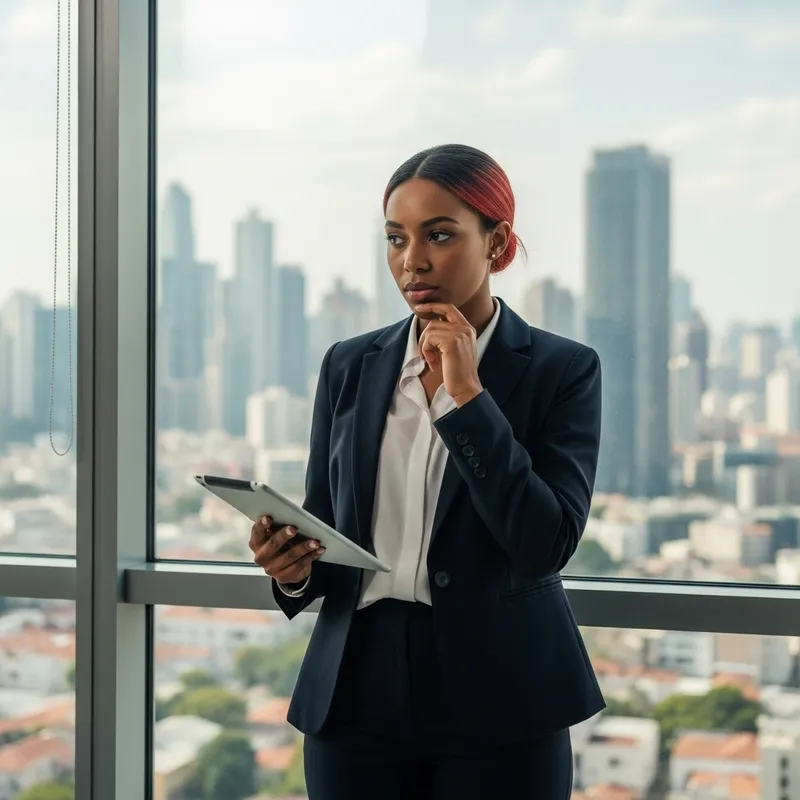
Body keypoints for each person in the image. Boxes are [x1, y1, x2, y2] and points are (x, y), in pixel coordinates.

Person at [249, 143, 605, 799]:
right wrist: (295, 570)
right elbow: (328, 524)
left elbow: (543, 543)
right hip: (355, 683)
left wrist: (467, 400)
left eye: (439, 235)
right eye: (395, 238)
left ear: (496, 243)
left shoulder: (563, 369)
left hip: (502, 689)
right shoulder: (349, 364)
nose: (411, 260)